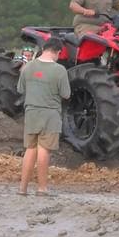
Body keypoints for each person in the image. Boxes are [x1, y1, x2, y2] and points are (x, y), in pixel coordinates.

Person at [17, 37, 71, 196]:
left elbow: (20, 89)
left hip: (31, 112)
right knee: (44, 151)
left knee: (30, 149)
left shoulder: (28, 67)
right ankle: (42, 188)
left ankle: (22, 188)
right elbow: (66, 94)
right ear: (57, 52)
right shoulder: (59, 70)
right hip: (50, 114)